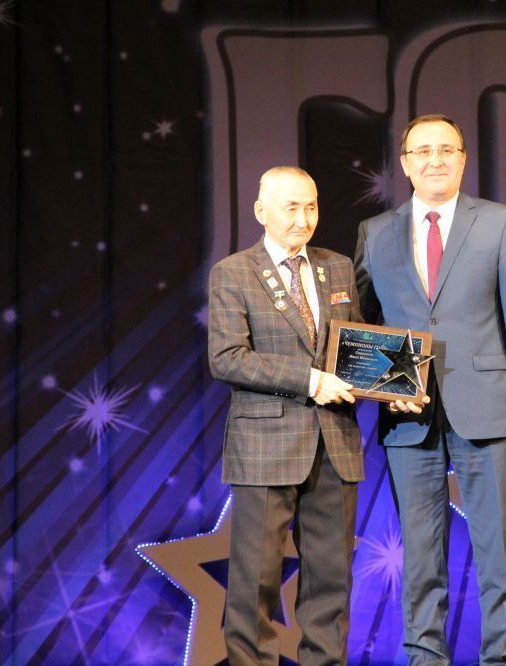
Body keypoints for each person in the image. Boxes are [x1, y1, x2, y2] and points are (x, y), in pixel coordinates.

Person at [355, 114, 506, 664]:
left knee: (498, 557)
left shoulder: (500, 222)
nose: (434, 160)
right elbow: (362, 327)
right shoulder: (376, 232)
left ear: (463, 159)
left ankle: (501, 661)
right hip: (407, 416)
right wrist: (383, 385)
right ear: (405, 164)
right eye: (423, 151)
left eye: (446, 150)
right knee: (419, 559)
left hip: (487, 410)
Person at [208, 166, 363, 665]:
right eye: (291, 207)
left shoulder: (338, 267)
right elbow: (227, 358)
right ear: (261, 211)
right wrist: (310, 380)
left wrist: (394, 387)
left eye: (311, 206)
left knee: (331, 586)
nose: (303, 218)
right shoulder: (234, 272)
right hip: (264, 447)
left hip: (334, 445)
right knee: (255, 585)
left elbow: (355, 346)